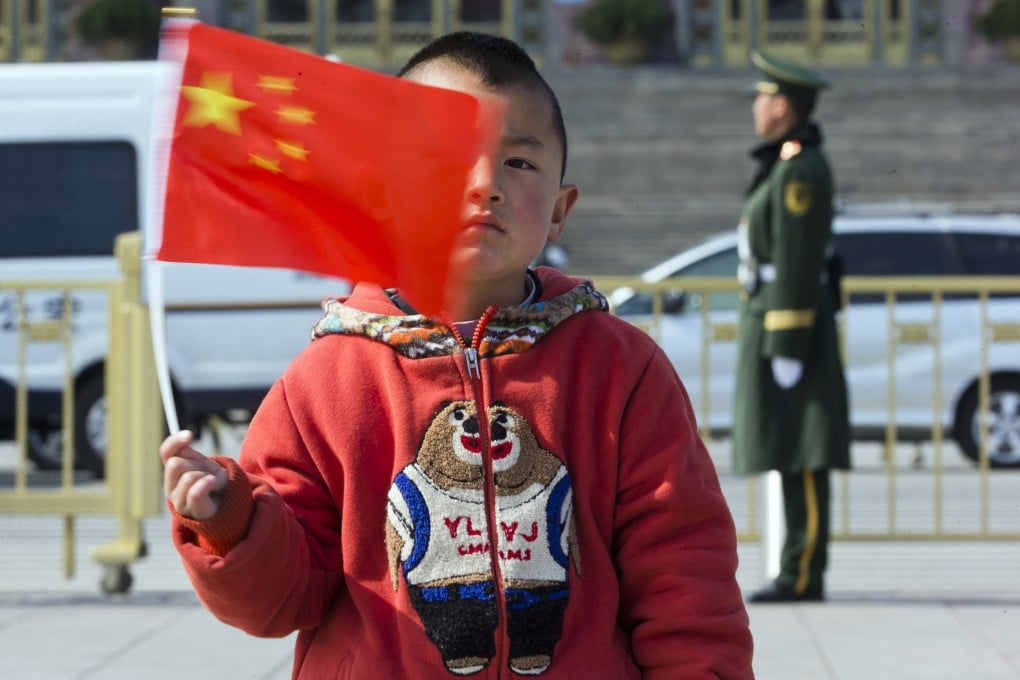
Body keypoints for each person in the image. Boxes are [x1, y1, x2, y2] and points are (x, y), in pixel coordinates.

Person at [160, 31, 753, 678]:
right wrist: (232, 522)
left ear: (560, 212)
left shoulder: (621, 371)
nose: (484, 185)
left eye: (518, 163)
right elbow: (279, 602)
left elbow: (685, 580)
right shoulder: (324, 384)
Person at [733, 50, 851, 604]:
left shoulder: (800, 167)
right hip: (776, 316)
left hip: (790, 322)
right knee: (787, 443)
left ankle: (802, 571)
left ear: (782, 106)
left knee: (803, 447)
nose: (756, 107)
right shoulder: (786, 161)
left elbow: (800, 260)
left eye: (762, 97)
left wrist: (787, 339)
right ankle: (794, 566)